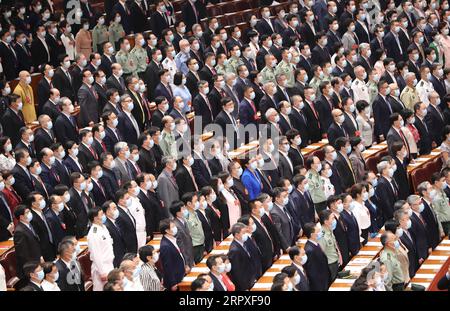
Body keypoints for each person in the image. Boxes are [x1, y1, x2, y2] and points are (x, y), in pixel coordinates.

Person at [227, 222, 261, 291]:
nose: (246, 234)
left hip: (252, 278)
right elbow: (237, 272)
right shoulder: (234, 250)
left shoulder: (244, 242)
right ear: (236, 235)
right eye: (244, 232)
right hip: (245, 284)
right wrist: (244, 287)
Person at [87, 207, 114, 291]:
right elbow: (96, 254)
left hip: (109, 264)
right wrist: (102, 272)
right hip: (101, 267)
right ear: (95, 218)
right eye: (102, 214)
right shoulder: (93, 233)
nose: (104, 216)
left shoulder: (103, 227)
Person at [159, 219, 187, 291]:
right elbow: (167, 266)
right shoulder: (165, 246)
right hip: (175, 279)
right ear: (167, 230)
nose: (175, 228)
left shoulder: (172, 239)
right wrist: (173, 283)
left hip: (180, 273)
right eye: (173, 226)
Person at [303, 222, 330, 291]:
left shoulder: (315, 244)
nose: (320, 233)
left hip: (324, 278)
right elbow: (312, 272)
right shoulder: (309, 250)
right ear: (312, 235)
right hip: (319, 284)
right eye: (318, 231)